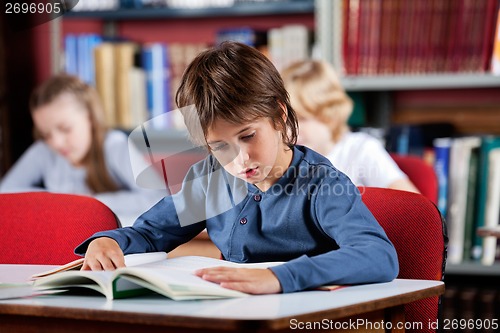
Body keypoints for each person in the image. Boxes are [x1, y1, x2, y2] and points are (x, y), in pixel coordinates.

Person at [75, 41, 398, 295]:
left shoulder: (322, 184)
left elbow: (378, 255)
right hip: (228, 313)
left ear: (279, 116)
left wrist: (279, 277)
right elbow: (150, 232)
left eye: (248, 136)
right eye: (219, 146)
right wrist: (111, 242)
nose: (240, 159)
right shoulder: (208, 180)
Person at [0, 74, 164, 226]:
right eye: (46, 134)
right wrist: (54, 201)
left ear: (90, 118)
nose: (56, 143)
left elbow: (158, 198)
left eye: (65, 129)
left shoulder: (114, 145)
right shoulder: (43, 151)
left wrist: (88, 203)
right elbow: (5, 194)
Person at [281, 60, 419, 192]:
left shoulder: (361, 150)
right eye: (285, 121)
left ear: (331, 115)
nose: (290, 130)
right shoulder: (281, 158)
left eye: (303, 119)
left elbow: (415, 207)